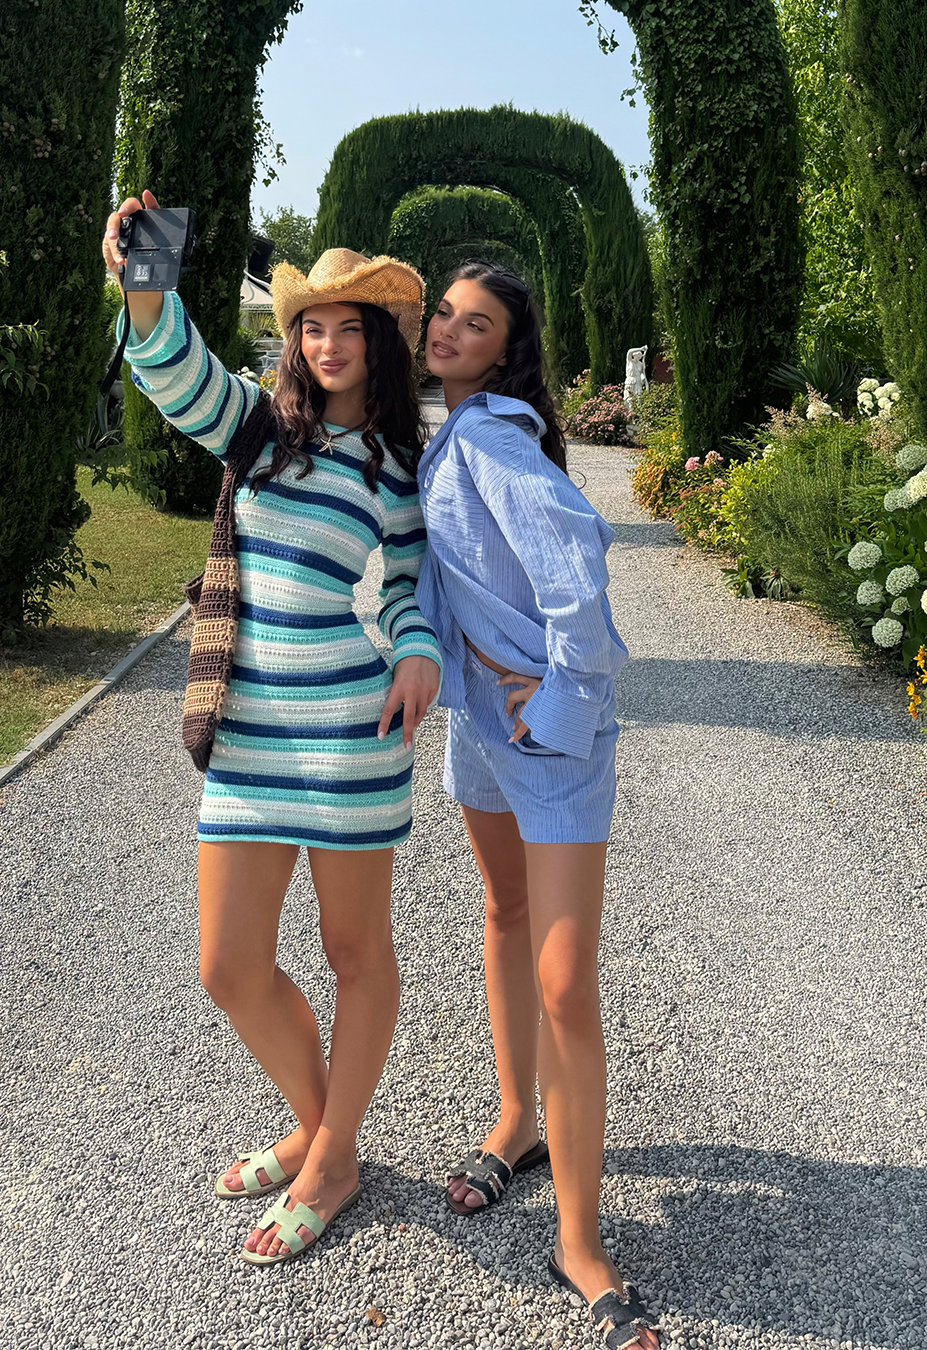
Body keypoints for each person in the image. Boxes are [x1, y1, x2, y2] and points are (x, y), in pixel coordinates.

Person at [102, 194, 441, 1267]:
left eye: (348, 327)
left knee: (356, 954)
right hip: (250, 734)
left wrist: (418, 651)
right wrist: (143, 275)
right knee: (228, 965)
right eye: (312, 327)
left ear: (378, 342)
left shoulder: (397, 464)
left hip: (351, 733)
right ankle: (322, 1126)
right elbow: (172, 369)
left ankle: (330, 1157)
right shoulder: (258, 428)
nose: (327, 344)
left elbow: (408, 586)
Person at [416, 261, 659, 1350]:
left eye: (476, 324)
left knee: (565, 981)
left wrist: (556, 703)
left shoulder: (495, 440)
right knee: (503, 912)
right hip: (481, 721)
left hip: (550, 739)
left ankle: (580, 1243)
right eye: (443, 314)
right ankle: (518, 1119)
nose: (448, 331)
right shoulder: (445, 434)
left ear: (506, 349)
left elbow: (579, 578)